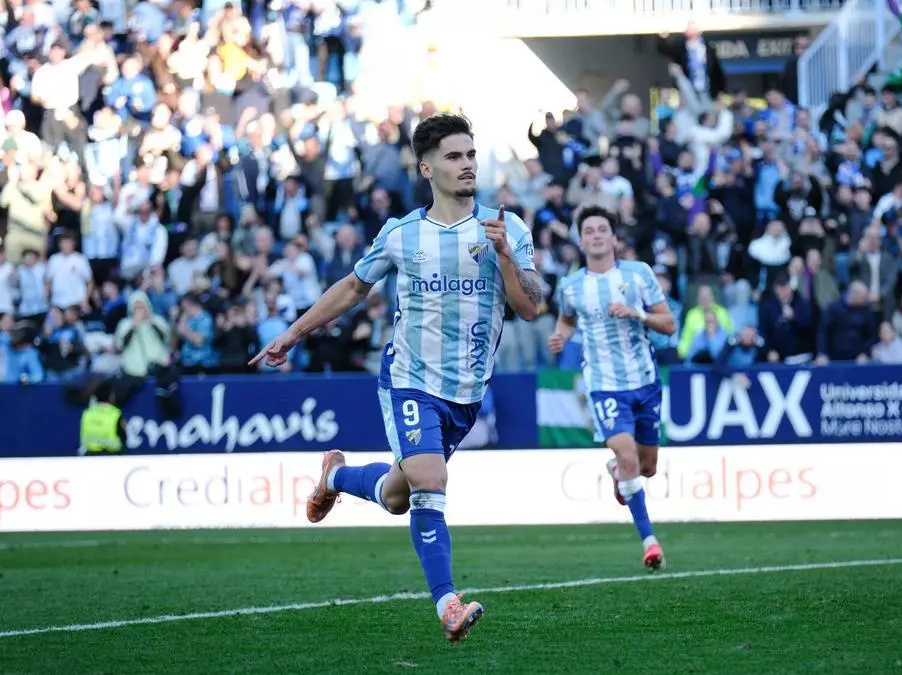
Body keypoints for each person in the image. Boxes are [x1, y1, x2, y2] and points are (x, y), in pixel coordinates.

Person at [250, 114, 542, 642]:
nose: (467, 164)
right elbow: (352, 288)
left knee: (395, 497)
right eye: (454, 156)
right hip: (409, 379)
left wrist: (503, 256)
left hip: (466, 392)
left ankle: (335, 478)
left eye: (471, 155)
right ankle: (448, 604)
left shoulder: (508, 229)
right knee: (431, 480)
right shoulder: (403, 234)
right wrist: (293, 333)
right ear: (427, 168)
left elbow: (529, 307)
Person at [547, 205, 676, 571]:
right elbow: (566, 320)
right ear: (580, 241)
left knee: (646, 468)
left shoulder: (639, 274)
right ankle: (649, 542)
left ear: (615, 238)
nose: (596, 236)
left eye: (602, 229)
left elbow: (669, 324)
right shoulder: (571, 286)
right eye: (589, 231)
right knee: (629, 456)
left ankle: (620, 474)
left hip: (645, 381)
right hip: (604, 386)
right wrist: (560, 336)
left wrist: (638, 314)